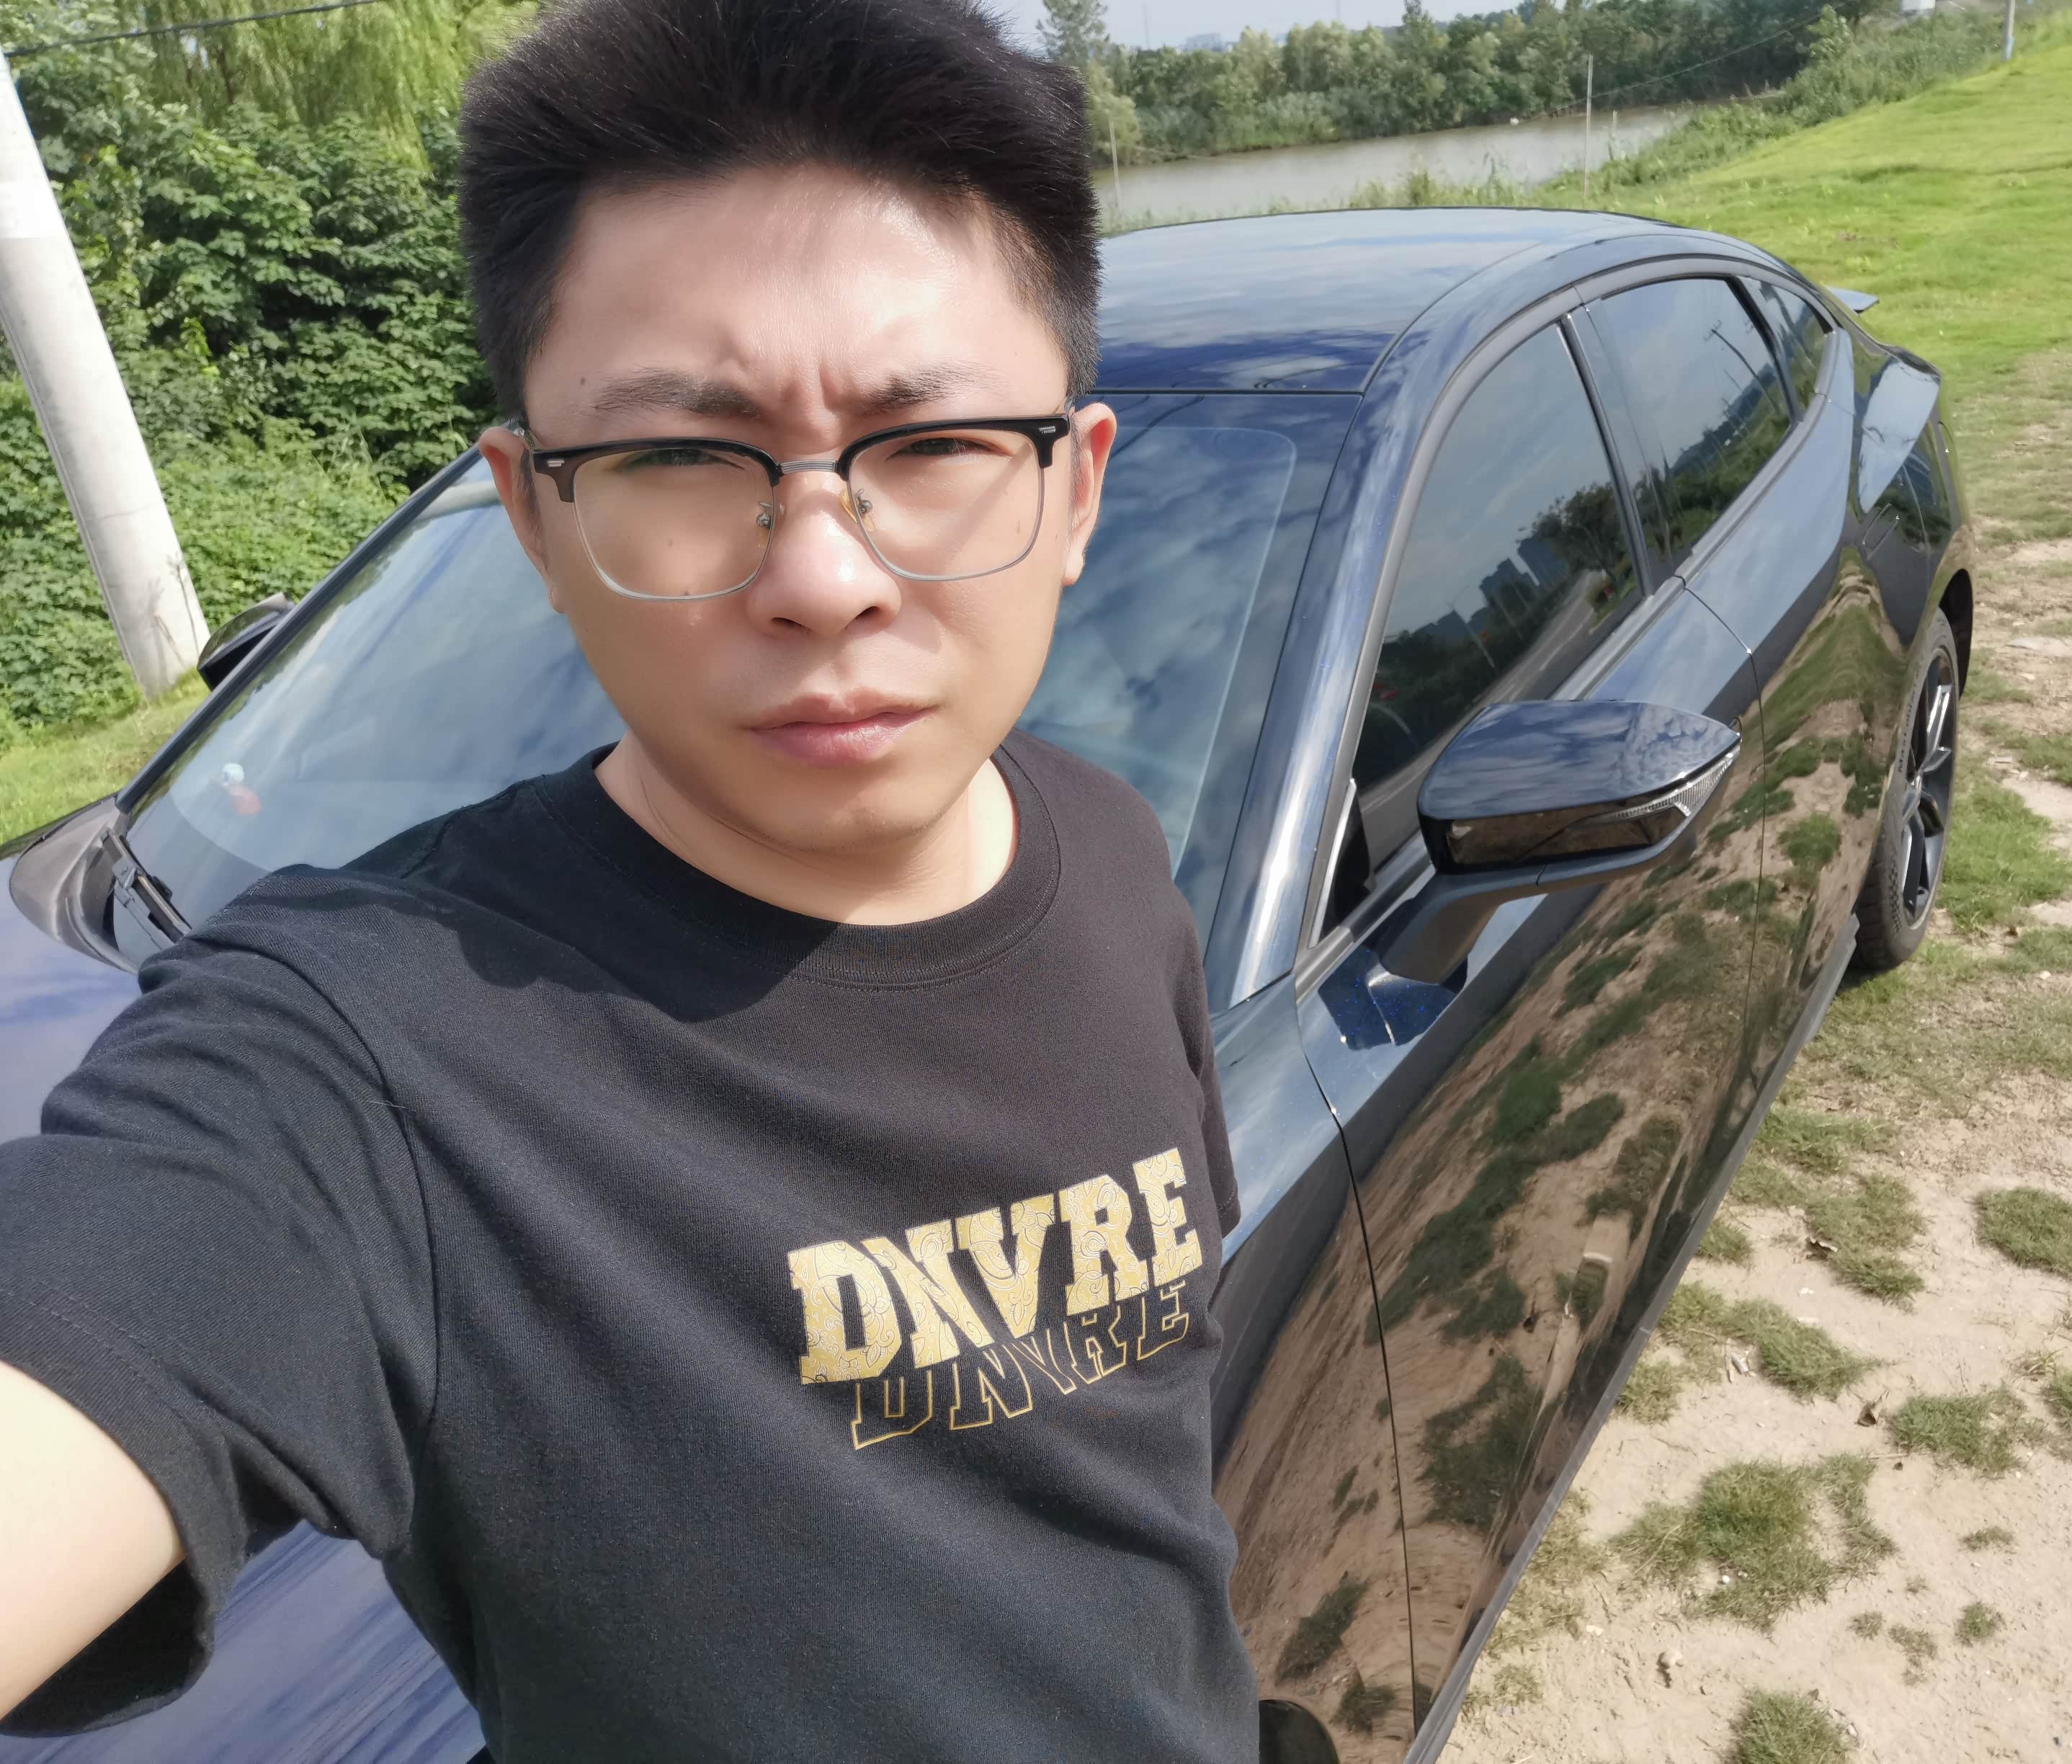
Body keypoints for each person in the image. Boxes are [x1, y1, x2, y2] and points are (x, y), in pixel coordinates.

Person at [0, 1, 1258, 1757]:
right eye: (679, 457)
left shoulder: (1114, 853)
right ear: (533, 515)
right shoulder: (368, 1062)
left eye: (931, 445)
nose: (823, 577)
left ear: (1076, 490)